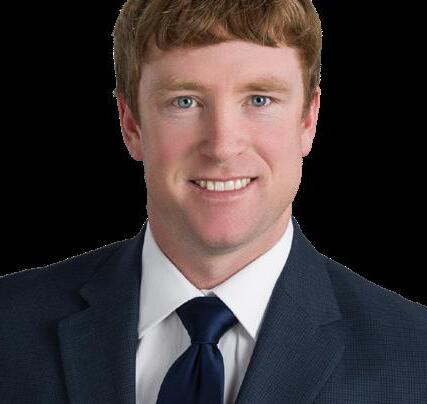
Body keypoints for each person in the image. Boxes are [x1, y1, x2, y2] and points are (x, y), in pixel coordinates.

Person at [1, 0, 426, 402]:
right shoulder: (8, 324)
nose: (222, 146)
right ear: (131, 125)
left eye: (259, 100)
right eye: (184, 101)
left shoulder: (416, 356)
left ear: (308, 120)